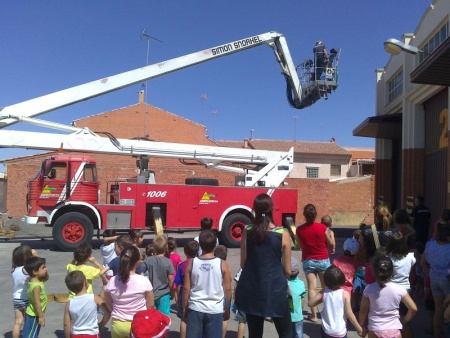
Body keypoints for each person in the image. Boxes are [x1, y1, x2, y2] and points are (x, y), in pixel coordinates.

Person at [235, 193, 292, 338]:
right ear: (272, 209)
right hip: (275, 288)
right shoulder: (282, 233)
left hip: (252, 288)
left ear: (254, 209)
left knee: (255, 333)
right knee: (285, 331)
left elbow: (243, 263)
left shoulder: (247, 231)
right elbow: (288, 270)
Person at [183, 229, 232, 338]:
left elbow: (186, 288)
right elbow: (228, 289)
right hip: (215, 309)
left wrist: (185, 307)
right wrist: (227, 308)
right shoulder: (222, 264)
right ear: (215, 245)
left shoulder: (192, 262)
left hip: (196, 307)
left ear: (199, 244)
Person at [359, 255, 417, 338]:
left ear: (374, 272)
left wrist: (361, 324)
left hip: (375, 329)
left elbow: (363, 310)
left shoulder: (369, 289)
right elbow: (413, 308)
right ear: (392, 271)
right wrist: (405, 320)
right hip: (394, 329)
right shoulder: (399, 289)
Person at [104, 245, 154, 338]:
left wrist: (115, 311)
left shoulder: (112, 281)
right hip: (139, 323)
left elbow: (108, 302)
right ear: (138, 262)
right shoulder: (144, 281)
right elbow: (150, 305)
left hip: (118, 324)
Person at [296, 203, 332, 323]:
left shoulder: (299, 230)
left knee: (311, 288)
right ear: (315, 215)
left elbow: (300, 245)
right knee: (325, 287)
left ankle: (314, 316)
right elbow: (330, 242)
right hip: (323, 259)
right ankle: (326, 312)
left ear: (304, 215)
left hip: (308, 260)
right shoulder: (322, 228)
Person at [309, 265, 364, 338]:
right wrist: (359, 329)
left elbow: (310, 303)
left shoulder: (324, 292)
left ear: (325, 281)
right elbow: (349, 313)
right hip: (340, 331)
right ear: (342, 280)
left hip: (326, 330)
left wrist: (322, 297)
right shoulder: (345, 294)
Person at [420, 222, 450, 338]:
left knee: (438, 308)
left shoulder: (430, 245)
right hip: (447, 280)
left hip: (434, 278)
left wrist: (430, 272)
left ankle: (437, 334)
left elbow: (422, 262)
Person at [385, 231, 416, 338]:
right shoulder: (411, 257)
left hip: (390, 291)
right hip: (405, 291)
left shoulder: (387, 258)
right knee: (406, 321)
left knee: (391, 319)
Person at [63, 270, 111, 338]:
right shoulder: (95, 298)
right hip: (92, 334)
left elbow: (66, 324)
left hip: (76, 334)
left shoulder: (69, 303)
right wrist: (101, 325)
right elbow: (108, 313)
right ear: (85, 282)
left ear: (70, 289)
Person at [142, 234, 174, 315]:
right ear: (166, 247)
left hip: (151, 294)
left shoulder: (148, 260)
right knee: (164, 318)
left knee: (152, 317)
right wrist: (172, 292)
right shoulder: (168, 261)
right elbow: (170, 279)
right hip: (164, 294)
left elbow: (140, 271)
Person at [174, 240, 199, 338]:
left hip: (184, 296)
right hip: (196, 295)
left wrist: (177, 296)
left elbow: (178, 283)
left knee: (184, 319)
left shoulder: (182, 265)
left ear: (185, 252)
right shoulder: (199, 264)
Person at [22, 257, 49, 338]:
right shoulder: (36, 286)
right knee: (31, 335)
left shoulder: (32, 280)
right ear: (35, 272)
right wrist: (41, 317)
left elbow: (46, 277)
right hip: (35, 315)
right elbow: (37, 303)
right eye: (43, 267)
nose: (46, 269)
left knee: (30, 333)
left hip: (32, 312)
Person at [11, 245, 35, 338]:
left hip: (16, 298)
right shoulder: (26, 270)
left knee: (18, 322)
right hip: (27, 297)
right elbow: (37, 264)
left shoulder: (13, 269)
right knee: (28, 320)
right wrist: (34, 254)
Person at [214, 244, 229, 338]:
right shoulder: (227, 267)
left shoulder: (215, 265)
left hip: (216, 293)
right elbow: (228, 286)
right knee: (224, 319)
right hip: (223, 295)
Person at [288, 258, 306, 338]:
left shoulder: (282, 283)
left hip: (285, 317)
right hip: (297, 316)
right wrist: (300, 310)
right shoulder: (300, 284)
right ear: (298, 272)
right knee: (298, 334)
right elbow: (303, 300)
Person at [231, 268, 247, 338]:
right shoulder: (259, 266)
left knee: (242, 321)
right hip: (256, 298)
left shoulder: (243, 268)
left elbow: (237, 283)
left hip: (243, 297)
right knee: (256, 322)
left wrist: (234, 296)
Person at [167, 237, 182, 304]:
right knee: (176, 293)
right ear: (175, 246)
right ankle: (177, 305)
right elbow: (180, 266)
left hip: (167, 276)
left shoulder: (166, 256)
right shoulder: (177, 256)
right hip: (174, 276)